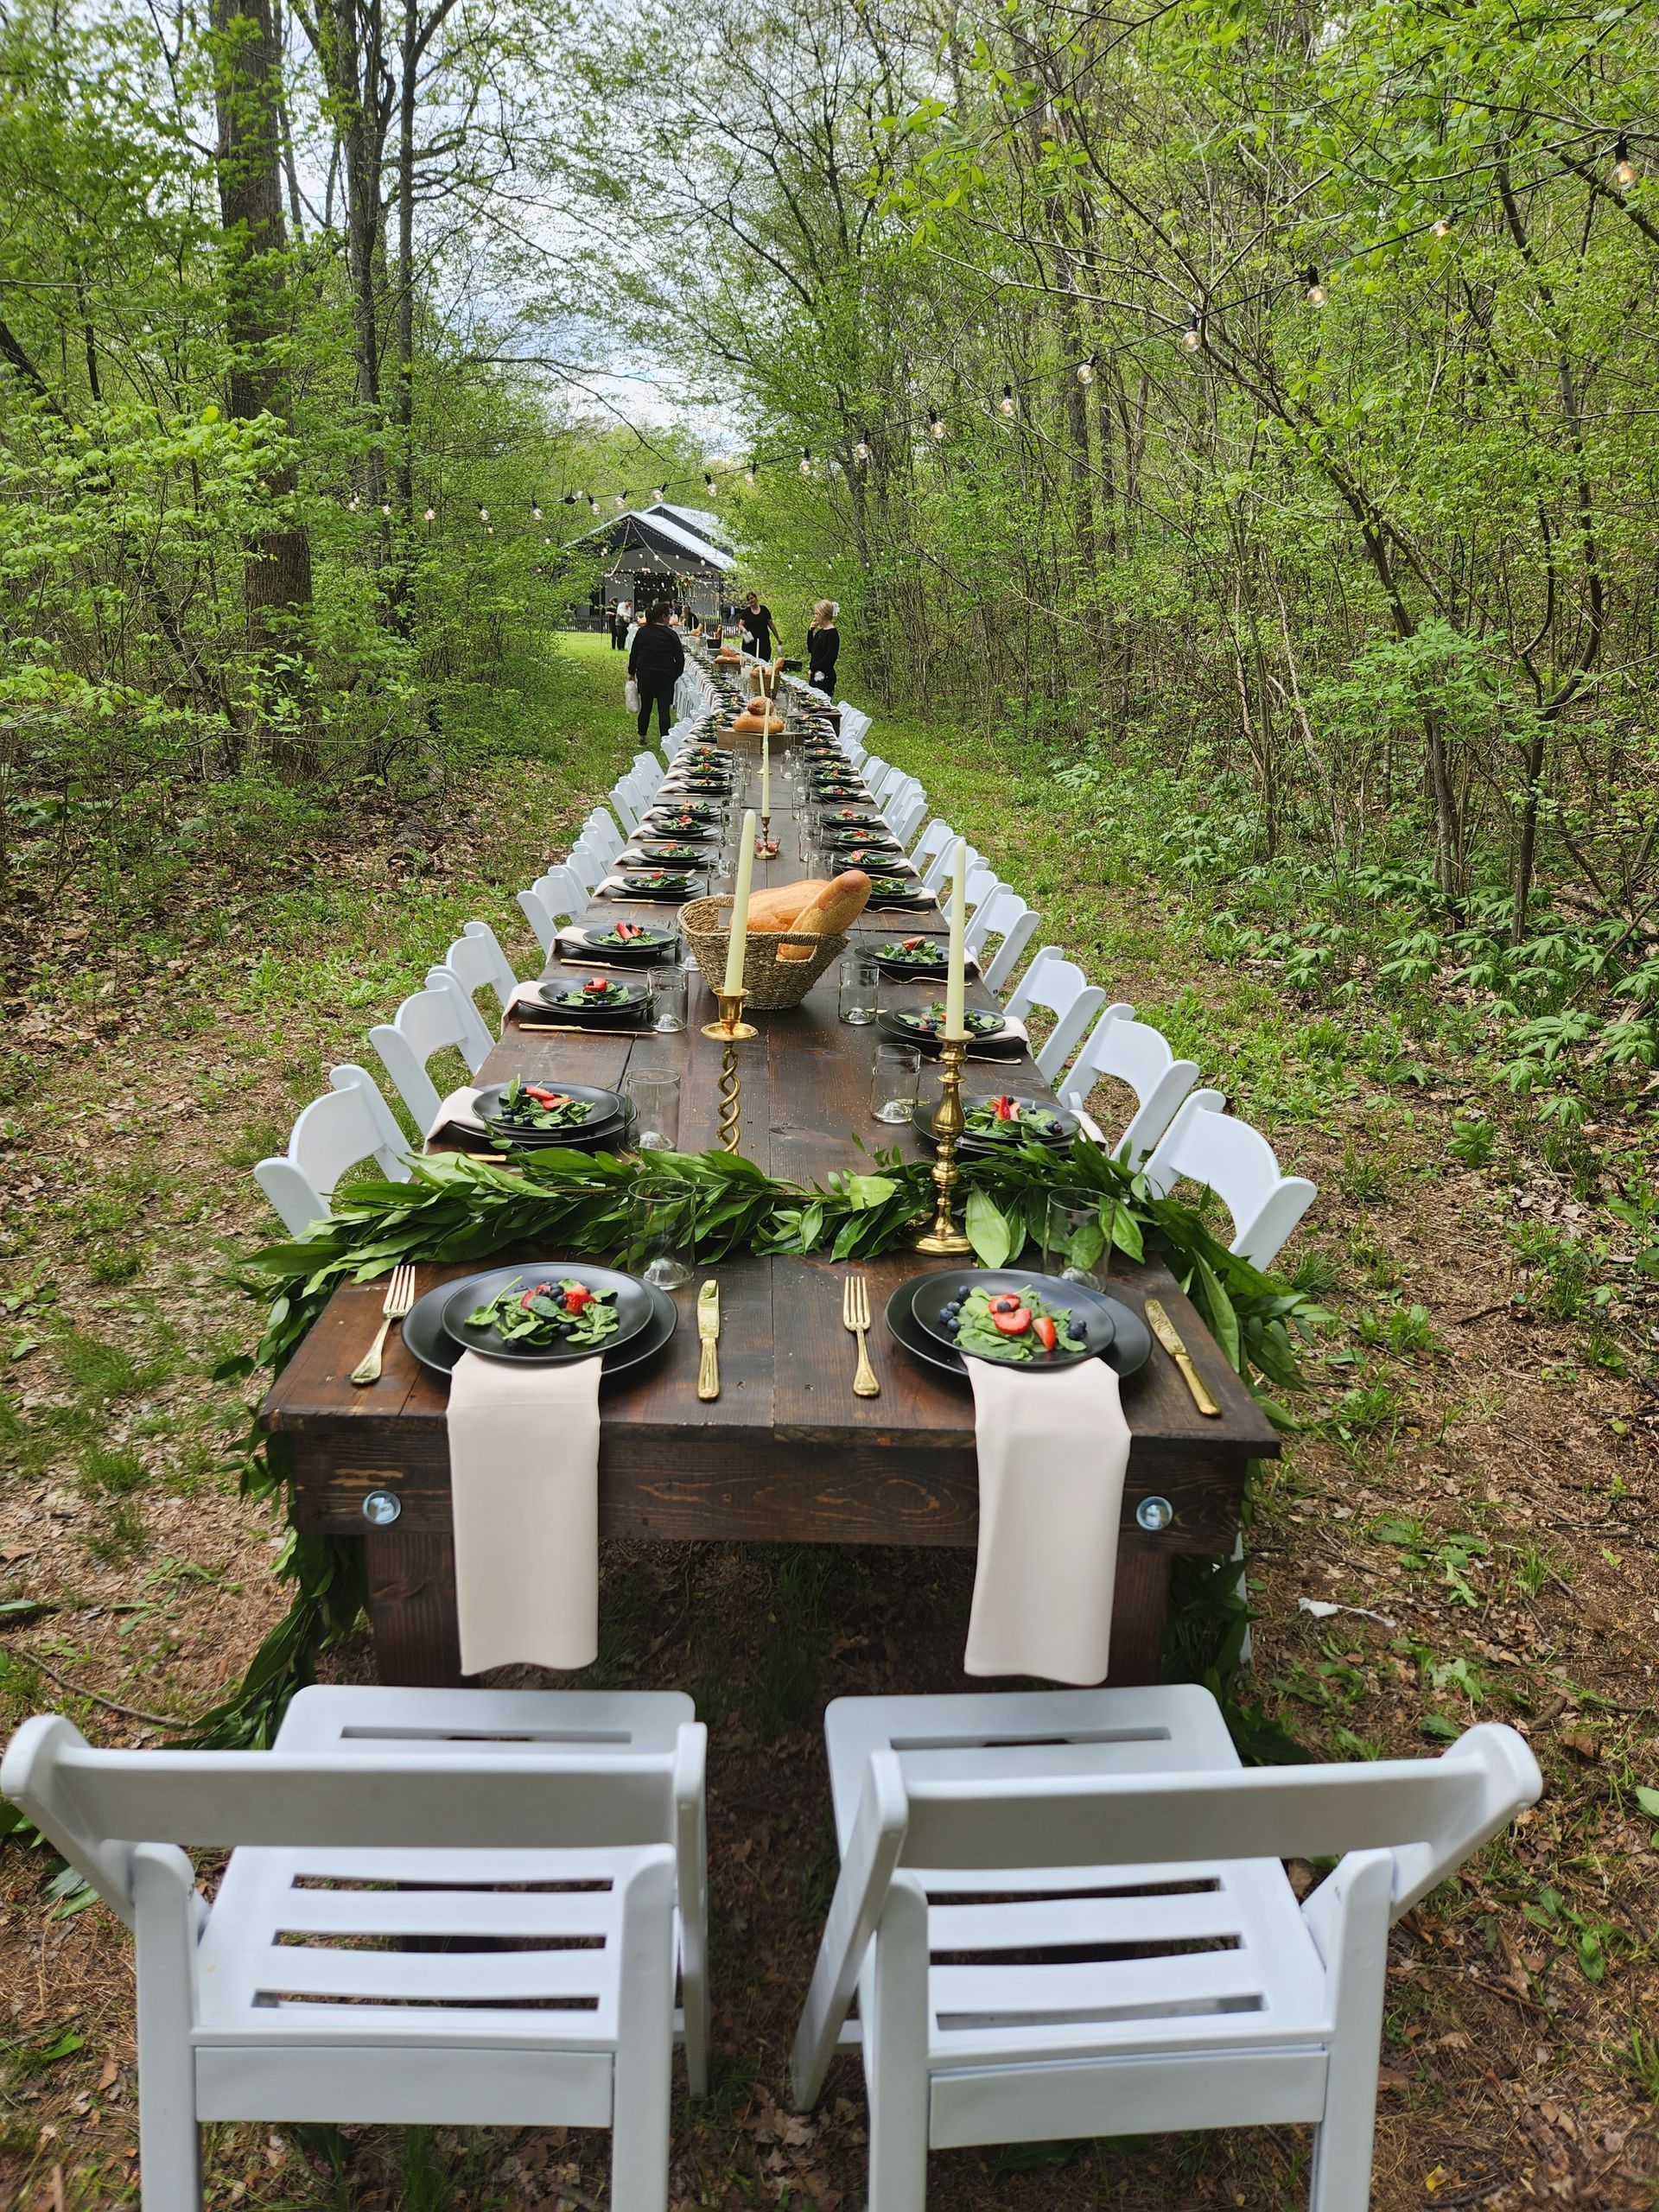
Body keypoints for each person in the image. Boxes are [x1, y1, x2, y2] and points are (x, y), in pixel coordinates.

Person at [627, 601, 685, 740]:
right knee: (663, 708)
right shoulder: (671, 634)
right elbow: (680, 660)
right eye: (669, 615)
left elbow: (634, 653)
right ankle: (664, 739)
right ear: (664, 617)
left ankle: (642, 736)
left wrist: (631, 672)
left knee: (645, 707)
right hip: (665, 675)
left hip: (645, 673)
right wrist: (674, 675)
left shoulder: (642, 632)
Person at [806, 600, 840, 694]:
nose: (815, 616)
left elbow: (829, 659)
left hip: (825, 678)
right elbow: (811, 649)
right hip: (815, 676)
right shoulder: (820, 632)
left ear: (823, 614)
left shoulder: (832, 634)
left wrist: (813, 669)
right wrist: (810, 631)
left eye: (817, 614)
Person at [741, 590, 774, 659]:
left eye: (752, 598)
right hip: (749, 640)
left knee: (764, 661)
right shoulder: (746, 612)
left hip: (763, 641)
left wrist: (778, 639)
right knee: (749, 662)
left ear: (756, 598)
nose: (751, 600)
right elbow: (740, 624)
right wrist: (744, 630)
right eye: (749, 600)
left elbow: (771, 625)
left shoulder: (764, 610)